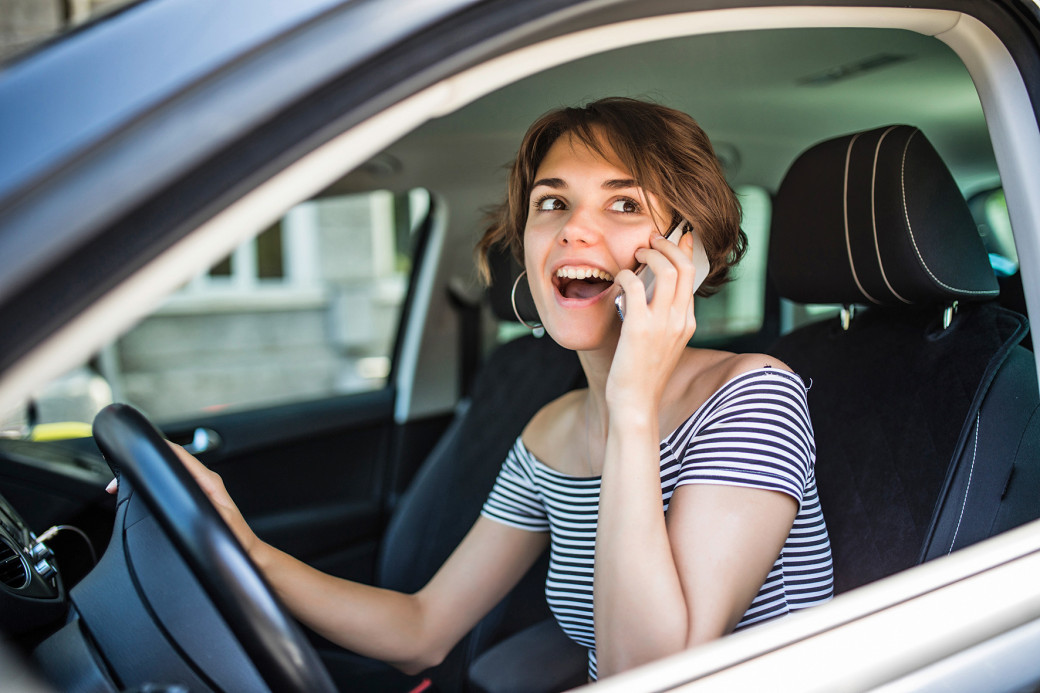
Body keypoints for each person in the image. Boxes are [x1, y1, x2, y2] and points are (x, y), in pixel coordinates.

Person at [128, 97, 834, 683]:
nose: (574, 229)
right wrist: (242, 548)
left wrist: (631, 404)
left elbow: (648, 670)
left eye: (623, 205)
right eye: (551, 203)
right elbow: (424, 627)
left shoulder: (752, 396)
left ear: (689, 249)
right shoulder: (548, 432)